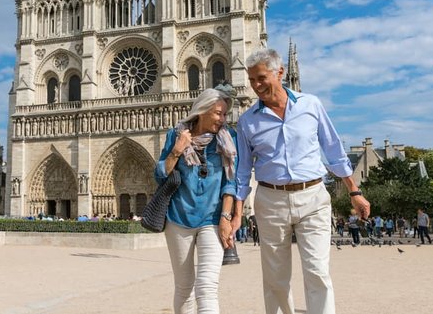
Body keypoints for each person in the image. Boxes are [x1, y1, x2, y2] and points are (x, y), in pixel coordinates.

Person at [234, 48, 370, 314]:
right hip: (270, 199)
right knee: (275, 279)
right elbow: (242, 172)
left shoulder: (311, 105)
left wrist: (355, 192)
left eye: (261, 78)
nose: (256, 85)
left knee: (317, 271)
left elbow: (333, 151)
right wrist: (237, 212)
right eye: (251, 80)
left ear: (280, 72)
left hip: (313, 197)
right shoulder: (247, 121)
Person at [154, 87, 239, 314]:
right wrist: (176, 151)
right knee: (184, 288)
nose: (223, 119)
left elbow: (230, 183)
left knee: (207, 287)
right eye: (218, 113)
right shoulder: (176, 135)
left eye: (224, 114)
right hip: (178, 219)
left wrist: (225, 217)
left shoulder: (228, 139)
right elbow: (160, 174)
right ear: (202, 110)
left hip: (212, 219)